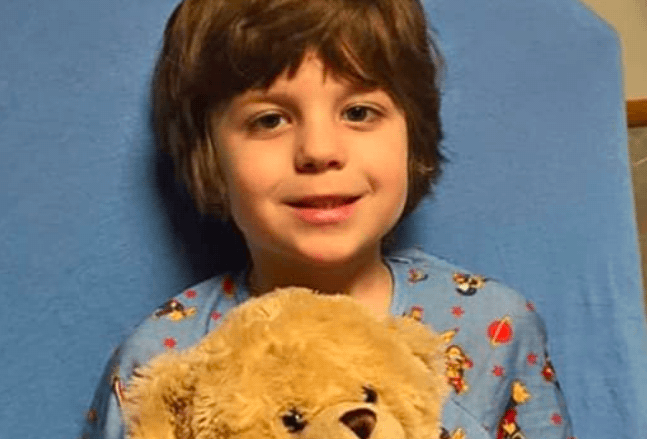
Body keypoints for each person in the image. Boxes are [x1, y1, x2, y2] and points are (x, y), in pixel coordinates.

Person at [80, 0, 574, 438]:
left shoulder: (493, 329)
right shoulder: (161, 363)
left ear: (413, 138)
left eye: (358, 112)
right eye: (269, 119)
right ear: (210, 156)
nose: (319, 151)